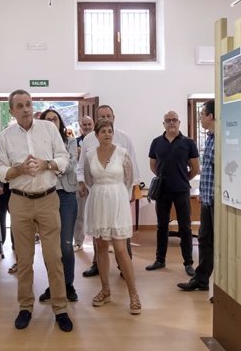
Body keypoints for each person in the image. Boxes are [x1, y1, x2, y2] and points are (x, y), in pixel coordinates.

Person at [0, 89, 73, 332]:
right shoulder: (6, 136)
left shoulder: (49, 129)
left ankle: (60, 308)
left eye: (28, 104)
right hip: (19, 201)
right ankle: (25, 307)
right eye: (19, 105)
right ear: (12, 111)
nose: (26, 109)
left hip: (48, 199)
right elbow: (0, 169)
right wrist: (18, 169)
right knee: (24, 260)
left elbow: (63, 158)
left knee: (54, 257)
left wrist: (46, 164)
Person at [84, 119, 141, 314]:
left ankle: (133, 293)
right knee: (100, 245)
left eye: (110, 131)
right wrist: (101, 192)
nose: (108, 134)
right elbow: (89, 179)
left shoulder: (123, 154)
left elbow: (129, 179)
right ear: (96, 135)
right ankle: (105, 290)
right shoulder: (90, 154)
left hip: (117, 200)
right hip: (98, 200)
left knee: (120, 248)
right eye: (104, 131)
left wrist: (119, 195)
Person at [77, 105, 140, 277]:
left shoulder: (124, 138)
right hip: (98, 194)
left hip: (118, 194)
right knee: (100, 235)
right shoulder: (89, 140)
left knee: (120, 238)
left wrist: (131, 190)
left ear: (114, 116)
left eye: (108, 115)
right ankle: (98, 265)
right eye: (101, 116)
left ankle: (124, 267)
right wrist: (84, 184)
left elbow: (131, 167)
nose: (106, 118)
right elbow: (83, 166)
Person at [146, 110, 200, 276]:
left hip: (182, 190)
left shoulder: (188, 143)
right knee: (162, 226)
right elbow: (153, 166)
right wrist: (164, 178)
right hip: (162, 191)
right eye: (168, 120)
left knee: (185, 227)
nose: (171, 123)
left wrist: (183, 178)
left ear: (179, 123)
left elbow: (195, 168)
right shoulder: (156, 142)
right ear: (163, 124)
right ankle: (160, 260)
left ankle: (188, 263)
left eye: (174, 120)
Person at [38, 108, 78, 303]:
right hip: (45, 196)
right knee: (49, 246)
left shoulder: (70, 141)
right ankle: (54, 285)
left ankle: (68, 284)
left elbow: (69, 165)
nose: (52, 122)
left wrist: (48, 166)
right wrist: (55, 165)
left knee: (65, 245)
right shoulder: (38, 144)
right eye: (48, 120)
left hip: (67, 197)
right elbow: (37, 168)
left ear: (60, 122)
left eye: (55, 119)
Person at [178, 100, 216, 292]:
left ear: (210, 116)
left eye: (202, 114)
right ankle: (201, 280)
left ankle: (220, 286)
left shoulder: (223, 139)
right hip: (208, 199)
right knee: (204, 239)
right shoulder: (210, 138)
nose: (200, 117)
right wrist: (203, 194)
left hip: (219, 201)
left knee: (218, 242)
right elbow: (207, 170)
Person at [73, 115, 94, 251]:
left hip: (97, 182)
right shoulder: (74, 143)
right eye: (84, 124)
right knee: (79, 214)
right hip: (81, 182)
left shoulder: (99, 140)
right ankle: (79, 241)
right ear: (80, 127)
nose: (86, 127)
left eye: (89, 124)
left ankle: (103, 242)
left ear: (93, 125)